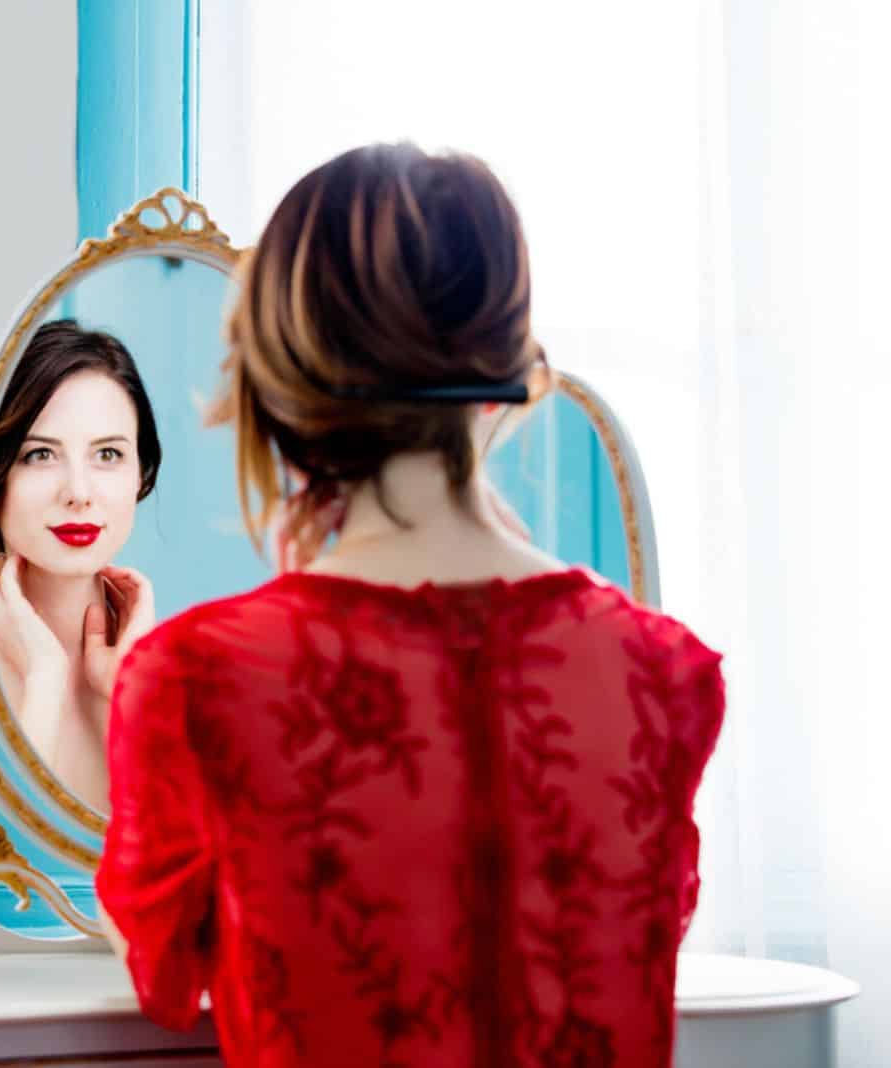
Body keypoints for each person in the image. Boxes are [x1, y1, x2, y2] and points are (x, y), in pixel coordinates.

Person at [94, 144, 725, 1067]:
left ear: (277, 377)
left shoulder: (196, 677)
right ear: (512, 366)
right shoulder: (664, 671)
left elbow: (160, 971)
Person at [0, 318, 161, 811]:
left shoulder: (177, 671)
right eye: (39, 454)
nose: (78, 493)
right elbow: (2, 864)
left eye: (107, 454)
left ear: (139, 476)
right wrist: (44, 679)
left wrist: (133, 700)